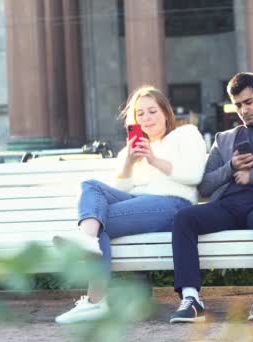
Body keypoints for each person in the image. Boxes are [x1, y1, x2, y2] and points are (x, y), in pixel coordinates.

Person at [52, 85, 207, 324]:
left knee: (98, 223)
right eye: (140, 113)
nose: (147, 118)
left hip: (173, 205)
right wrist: (129, 163)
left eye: (152, 111)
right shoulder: (131, 148)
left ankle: (95, 300)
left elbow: (194, 176)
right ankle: (88, 241)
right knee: (91, 187)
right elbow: (119, 190)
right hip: (138, 204)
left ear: (166, 112)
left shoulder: (186, 134)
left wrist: (153, 160)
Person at [169, 72, 253, 323]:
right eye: (238, 105)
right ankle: (191, 298)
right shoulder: (224, 139)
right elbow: (205, 186)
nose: (244, 110)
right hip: (227, 207)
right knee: (184, 218)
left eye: (249, 102)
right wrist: (231, 167)